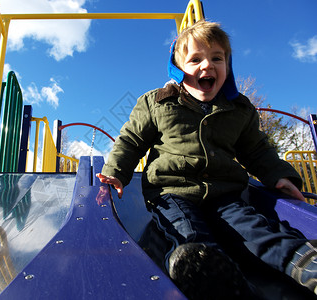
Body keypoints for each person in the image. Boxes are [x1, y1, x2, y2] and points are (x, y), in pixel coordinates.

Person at [96, 20, 317, 299]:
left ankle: (307, 264)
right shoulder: (158, 102)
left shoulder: (239, 108)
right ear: (178, 69)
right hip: (172, 191)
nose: (208, 65)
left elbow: (256, 149)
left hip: (225, 194)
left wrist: (279, 175)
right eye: (195, 59)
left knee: (254, 230)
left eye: (217, 58)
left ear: (228, 67)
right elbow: (131, 140)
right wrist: (115, 172)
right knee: (187, 234)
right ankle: (217, 280)